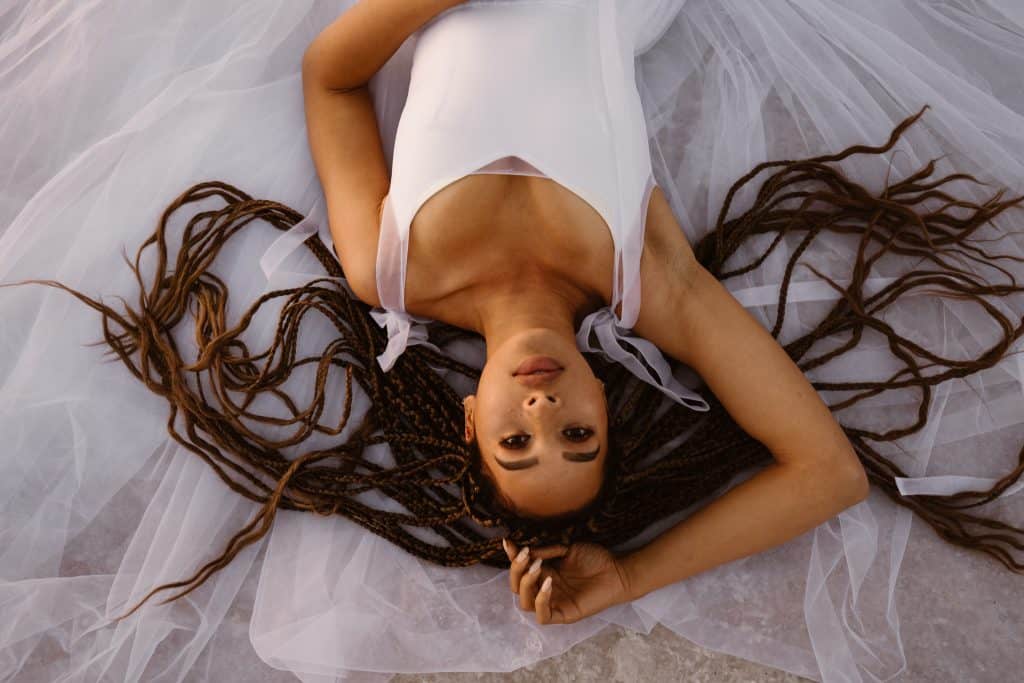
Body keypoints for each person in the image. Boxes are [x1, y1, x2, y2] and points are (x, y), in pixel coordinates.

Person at [1, 1, 1023, 681]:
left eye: (516, 443)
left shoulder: (389, 271)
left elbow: (331, 77)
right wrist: (629, 575)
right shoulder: (646, 277)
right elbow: (827, 473)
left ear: (468, 415)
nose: (543, 414)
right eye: (578, 435)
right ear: (603, 400)